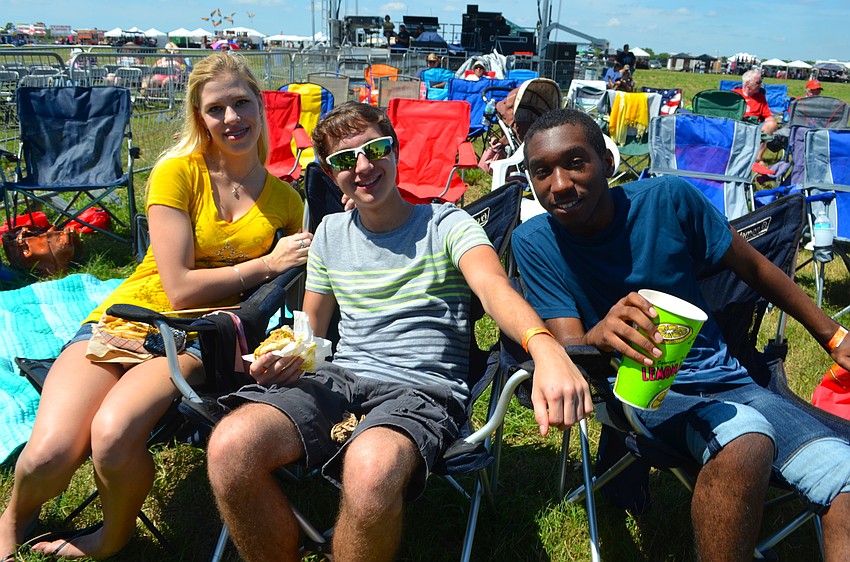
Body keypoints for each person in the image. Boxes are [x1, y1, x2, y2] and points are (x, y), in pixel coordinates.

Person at [205, 102, 592, 562]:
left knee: (370, 469)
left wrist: (544, 346)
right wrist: (290, 357)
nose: (364, 166)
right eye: (346, 160)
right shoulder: (329, 233)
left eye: (376, 149)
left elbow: (493, 288)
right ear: (331, 175)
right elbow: (311, 331)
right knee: (230, 448)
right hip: (338, 379)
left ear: (395, 150)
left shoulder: (447, 224)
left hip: (422, 389)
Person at [0, 52, 309, 561]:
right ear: (199, 118)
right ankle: (15, 515)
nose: (231, 119)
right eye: (216, 109)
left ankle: (110, 537)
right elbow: (180, 285)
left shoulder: (285, 200)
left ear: (260, 105)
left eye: (241, 103)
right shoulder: (177, 173)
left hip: (196, 335)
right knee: (51, 452)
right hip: (123, 319)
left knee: (114, 433)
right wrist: (266, 265)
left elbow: (283, 287)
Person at [511, 108, 850, 561]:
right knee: (745, 438)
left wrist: (834, 336)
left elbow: (754, 267)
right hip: (639, 391)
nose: (559, 184)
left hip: (730, 381)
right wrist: (601, 335)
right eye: (542, 172)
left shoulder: (667, 199)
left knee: (843, 475)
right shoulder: (536, 240)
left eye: (575, 162)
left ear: (608, 162)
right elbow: (568, 345)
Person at [733, 69, 778, 165]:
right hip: (737, 125)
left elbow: (768, 116)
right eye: (758, 82)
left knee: (771, 124)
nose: (761, 85)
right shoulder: (734, 95)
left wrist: (774, 122)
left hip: (755, 126)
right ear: (748, 83)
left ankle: (757, 157)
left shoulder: (760, 98)